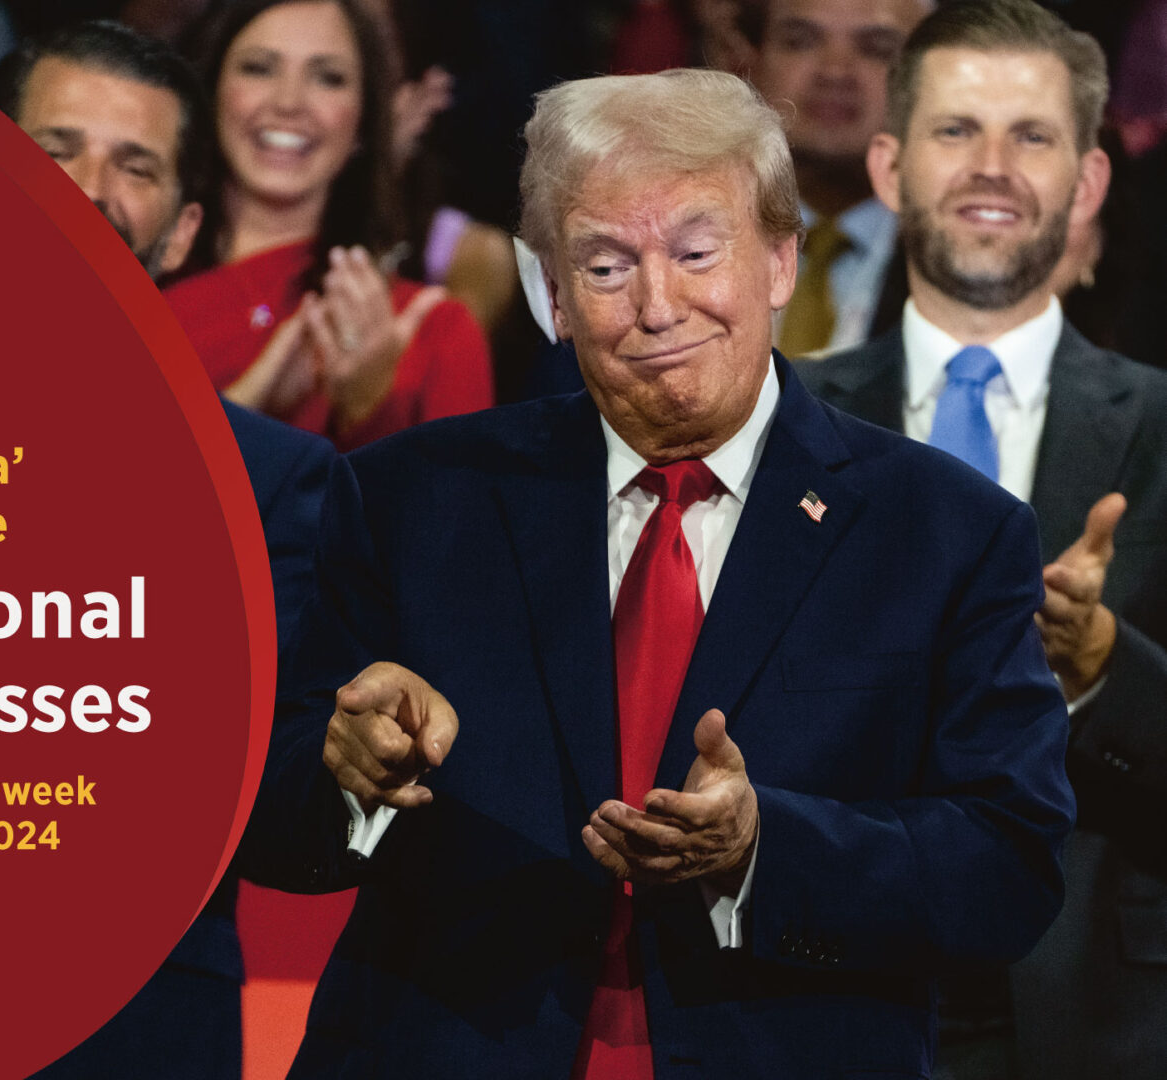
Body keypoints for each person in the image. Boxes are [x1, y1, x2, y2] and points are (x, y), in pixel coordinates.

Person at [240, 66, 1077, 1079]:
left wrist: (768, 845)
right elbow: (265, 820)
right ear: (550, 293)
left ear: (776, 260)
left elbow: (1008, 866)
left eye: (693, 251)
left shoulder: (945, 531)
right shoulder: (407, 500)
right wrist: (346, 772)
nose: (654, 305)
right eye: (602, 266)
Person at [796, 3, 1167, 1077]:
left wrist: (1103, 672)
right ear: (887, 166)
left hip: (1098, 1020)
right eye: (955, 130)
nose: (990, 167)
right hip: (822, 997)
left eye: (1031, 136)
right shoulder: (779, 425)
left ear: (1087, 184)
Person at [0, 22, 336, 1078]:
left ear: (182, 230)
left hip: (124, 1039)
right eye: (54, 148)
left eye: (132, 165)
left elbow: (289, 822)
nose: (88, 187)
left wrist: (352, 766)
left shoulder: (272, 484)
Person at [165, 0, 494, 450]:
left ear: (364, 121)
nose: (288, 103)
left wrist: (370, 409)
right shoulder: (124, 290)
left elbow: (455, 519)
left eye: (328, 78)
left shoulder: (435, 333)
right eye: (259, 68)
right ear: (211, 90)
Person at [743, 0, 933, 356]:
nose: (834, 71)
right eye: (801, 41)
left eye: (877, 49)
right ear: (747, 59)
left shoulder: (956, 257)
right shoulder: (682, 239)